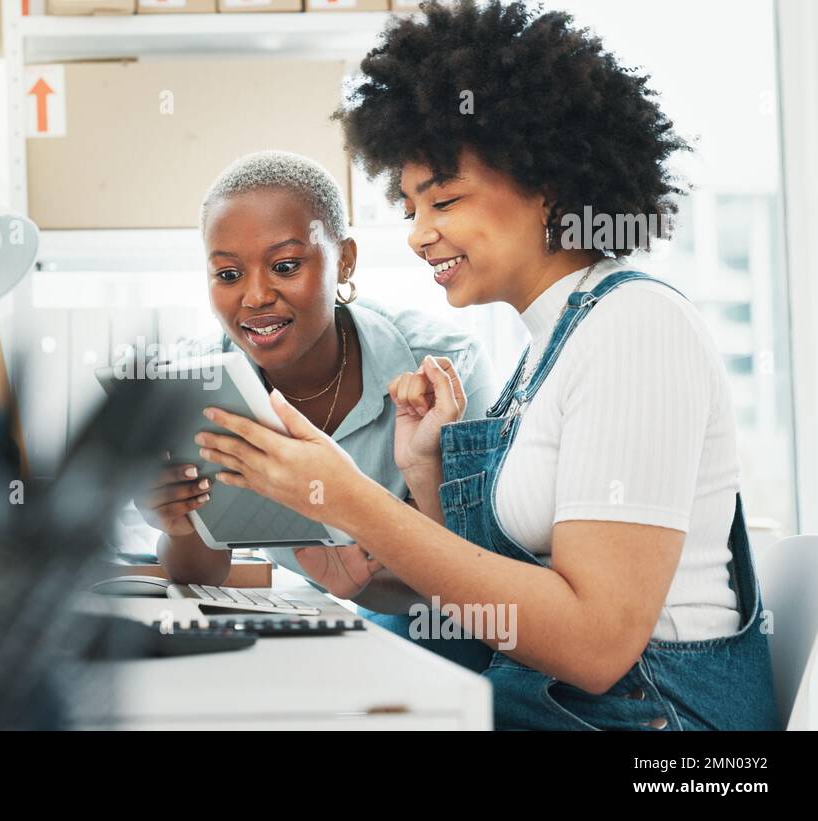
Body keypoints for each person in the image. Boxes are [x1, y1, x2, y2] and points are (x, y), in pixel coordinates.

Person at [193, 0, 778, 730]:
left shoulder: (636, 327)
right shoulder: (548, 349)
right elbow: (492, 626)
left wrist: (344, 497)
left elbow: (595, 645)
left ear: (547, 184)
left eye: (444, 199)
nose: (418, 234)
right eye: (409, 208)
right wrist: (423, 484)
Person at [135, 150, 499, 662]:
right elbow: (200, 573)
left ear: (344, 260)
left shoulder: (442, 368)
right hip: (339, 625)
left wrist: (361, 583)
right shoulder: (192, 384)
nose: (256, 296)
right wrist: (179, 526)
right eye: (228, 274)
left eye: (285, 266)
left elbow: (478, 574)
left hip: (463, 640)